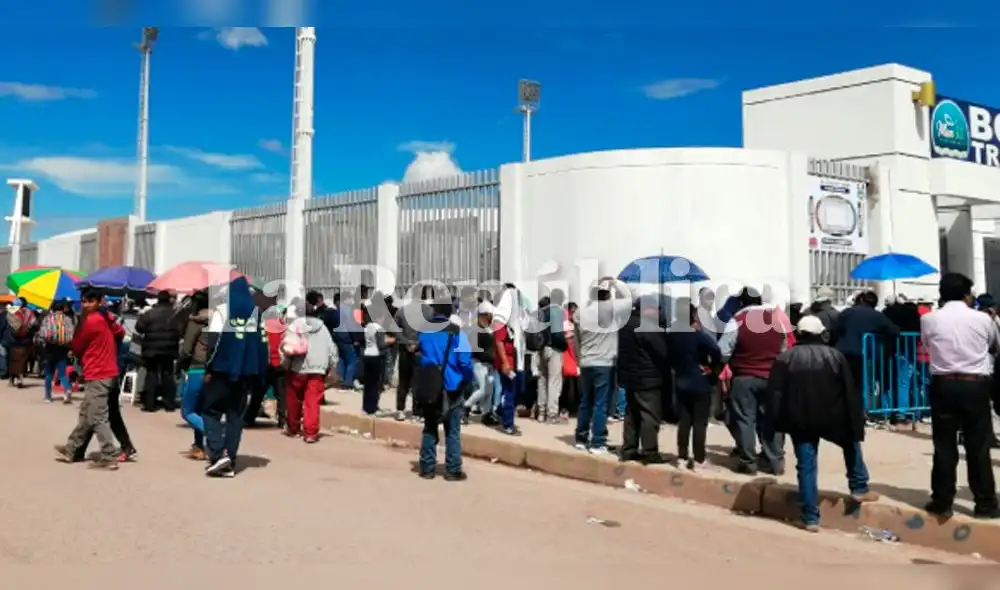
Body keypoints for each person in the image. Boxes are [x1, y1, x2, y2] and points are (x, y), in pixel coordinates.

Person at [769, 315, 878, 532]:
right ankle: (859, 487)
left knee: (806, 466)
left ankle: (810, 518)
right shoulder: (835, 356)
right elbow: (849, 391)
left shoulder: (785, 358)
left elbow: (775, 394)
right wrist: (855, 419)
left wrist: (773, 423)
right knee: (851, 444)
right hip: (833, 417)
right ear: (821, 333)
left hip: (800, 420)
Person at [920, 273, 1000, 519]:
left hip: (943, 384)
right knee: (978, 446)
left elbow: (928, 345)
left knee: (944, 445)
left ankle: (942, 501)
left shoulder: (929, 319)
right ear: (967, 295)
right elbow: (993, 346)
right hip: (975, 385)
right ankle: (985, 504)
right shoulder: (983, 319)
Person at [718, 287, 796, 475]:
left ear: (741, 303)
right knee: (772, 419)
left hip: (744, 377)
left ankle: (748, 463)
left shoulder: (736, 321)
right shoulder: (776, 320)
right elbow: (785, 349)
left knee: (744, 420)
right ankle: (774, 462)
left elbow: (723, 352)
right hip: (773, 378)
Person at [200, 276, 269, 477]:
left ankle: (217, 453)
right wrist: (259, 374)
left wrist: (208, 368)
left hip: (221, 371)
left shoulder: (223, 311)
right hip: (246, 374)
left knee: (210, 411)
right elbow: (263, 345)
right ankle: (229, 458)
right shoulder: (257, 314)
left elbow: (213, 343)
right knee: (235, 416)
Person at [54, 289, 128, 470]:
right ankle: (72, 449)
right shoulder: (107, 318)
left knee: (97, 416)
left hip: (98, 371)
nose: (86, 304)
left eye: (90, 301)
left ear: (99, 301)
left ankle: (109, 455)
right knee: (87, 412)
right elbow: (120, 332)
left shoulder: (92, 320)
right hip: (106, 370)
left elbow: (78, 344)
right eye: (84, 301)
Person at [415, 298, 475, 481]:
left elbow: (420, 355)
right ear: (450, 313)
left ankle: (427, 468)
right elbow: (465, 361)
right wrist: (467, 380)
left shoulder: (423, 331)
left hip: (431, 386)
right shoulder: (456, 332)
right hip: (452, 386)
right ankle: (452, 470)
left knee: (430, 427)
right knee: (452, 430)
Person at [573, 279, 633, 455]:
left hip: (586, 362)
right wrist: (616, 283)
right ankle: (598, 442)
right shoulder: (612, 308)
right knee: (601, 404)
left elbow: (576, 339)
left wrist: (579, 359)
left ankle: (581, 438)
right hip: (605, 363)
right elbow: (629, 299)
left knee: (586, 401)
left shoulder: (581, 311)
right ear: (608, 294)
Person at [668, 301, 722, 471]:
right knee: (699, 422)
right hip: (700, 383)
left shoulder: (672, 335)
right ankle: (699, 459)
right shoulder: (697, 336)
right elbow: (716, 350)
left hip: (681, 382)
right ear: (692, 316)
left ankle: (682, 457)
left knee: (684, 422)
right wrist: (712, 368)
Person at [617, 294, 670, 464]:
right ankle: (650, 452)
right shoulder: (648, 327)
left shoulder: (625, 325)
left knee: (631, 415)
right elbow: (662, 351)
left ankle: (629, 449)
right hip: (648, 378)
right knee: (649, 415)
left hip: (630, 377)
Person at [283, 303, 338, 442]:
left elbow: (287, 347)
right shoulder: (323, 328)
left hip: (298, 368)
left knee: (294, 399)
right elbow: (331, 348)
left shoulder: (295, 326)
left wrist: (285, 364)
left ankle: (293, 428)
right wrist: (332, 365)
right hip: (318, 369)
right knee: (312, 401)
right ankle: (310, 433)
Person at [177, 291, 212, 460]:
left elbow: (186, 350)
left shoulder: (196, 322)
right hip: (213, 370)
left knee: (188, 411)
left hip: (197, 369)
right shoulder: (220, 321)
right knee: (201, 410)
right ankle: (199, 447)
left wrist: (180, 361)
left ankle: (215, 436)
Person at [135, 290, 181, 412]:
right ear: (169, 300)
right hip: (169, 349)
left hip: (151, 350)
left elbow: (139, 328)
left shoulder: (150, 313)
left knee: (151, 374)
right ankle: (169, 403)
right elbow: (181, 330)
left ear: (158, 299)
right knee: (168, 375)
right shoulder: (176, 315)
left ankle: (149, 404)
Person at [393, 286, 432, 421]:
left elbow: (394, 329)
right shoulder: (429, 311)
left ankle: (400, 409)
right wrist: (417, 343)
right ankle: (417, 411)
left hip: (404, 349)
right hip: (420, 350)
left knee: (403, 381)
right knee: (418, 382)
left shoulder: (402, 310)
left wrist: (405, 342)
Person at [536, 289, 569, 424]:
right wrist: (564, 345)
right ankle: (552, 414)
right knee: (554, 381)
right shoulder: (561, 312)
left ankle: (541, 412)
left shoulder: (541, 311)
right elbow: (563, 333)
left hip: (541, 349)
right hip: (555, 349)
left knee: (542, 380)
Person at [38, 300, 75, 404]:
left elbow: (42, 333)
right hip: (63, 349)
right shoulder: (67, 319)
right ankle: (67, 390)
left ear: (53, 308)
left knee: (49, 374)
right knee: (62, 374)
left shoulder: (48, 319)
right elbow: (72, 334)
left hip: (50, 349)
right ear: (63, 309)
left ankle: (48, 396)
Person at [360, 305, 394, 415]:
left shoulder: (368, 326)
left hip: (367, 355)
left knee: (368, 383)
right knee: (375, 383)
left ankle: (366, 407)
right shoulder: (379, 328)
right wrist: (390, 341)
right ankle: (373, 407)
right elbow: (381, 344)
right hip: (376, 356)